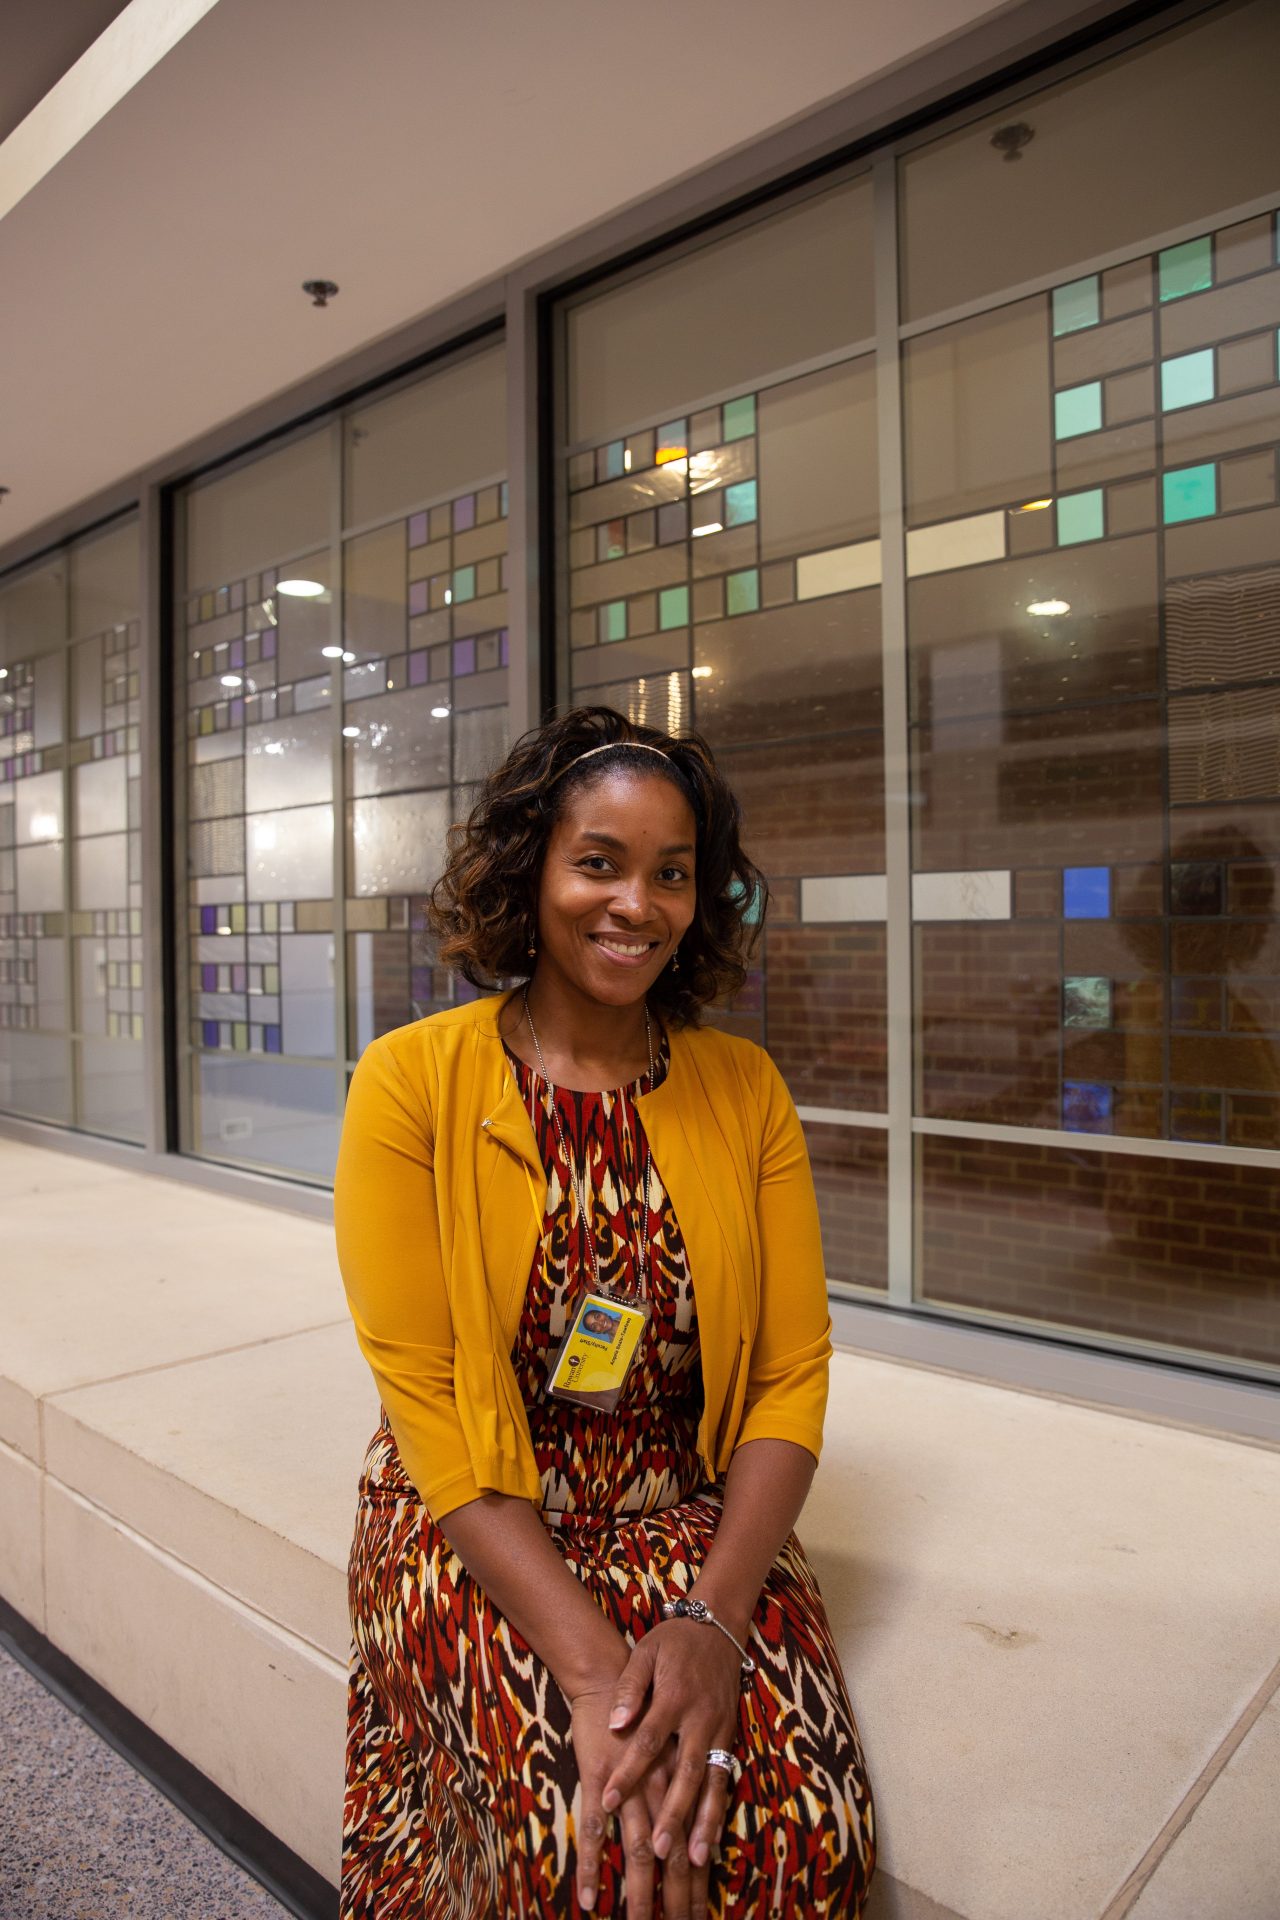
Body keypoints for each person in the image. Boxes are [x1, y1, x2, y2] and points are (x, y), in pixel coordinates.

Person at [335, 704, 875, 1919]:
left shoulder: (743, 1089)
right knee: (573, 1860)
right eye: (598, 862)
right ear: (529, 870)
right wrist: (590, 1679)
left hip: (688, 1524)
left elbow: (790, 1374)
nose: (635, 903)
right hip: (479, 1522)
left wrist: (709, 1625)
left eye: (671, 874)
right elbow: (426, 1400)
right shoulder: (412, 1083)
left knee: (799, 1838)